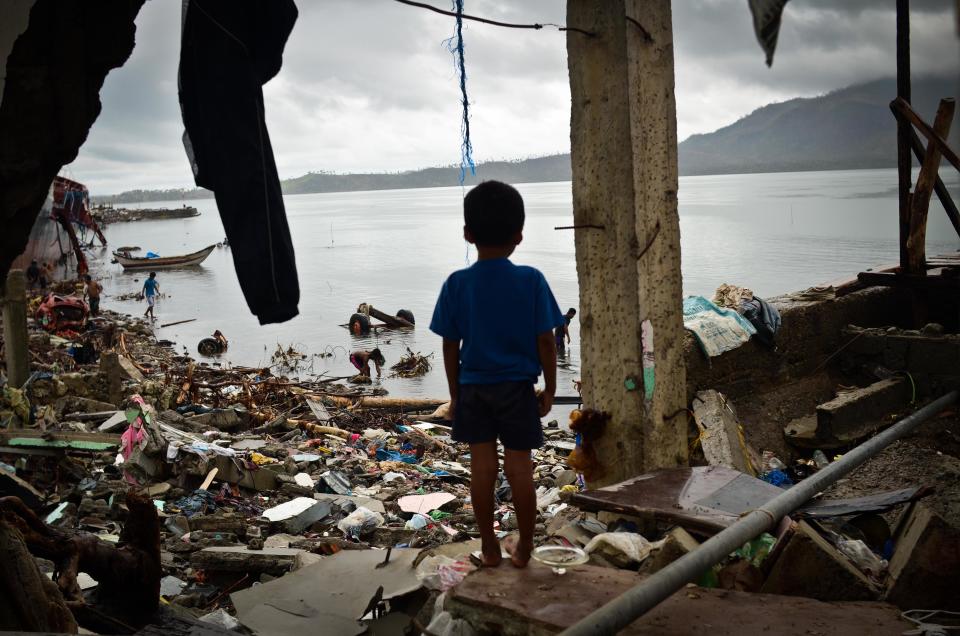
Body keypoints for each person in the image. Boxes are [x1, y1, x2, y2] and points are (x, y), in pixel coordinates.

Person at [430, 180, 565, 568]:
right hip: (517, 388)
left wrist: (455, 397)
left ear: (468, 234)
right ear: (519, 236)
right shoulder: (531, 280)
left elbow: (449, 345)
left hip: (474, 390)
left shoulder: (457, 284)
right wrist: (550, 389)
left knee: (482, 467)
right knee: (520, 467)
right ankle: (524, 547)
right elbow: (545, 341)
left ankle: (488, 546)